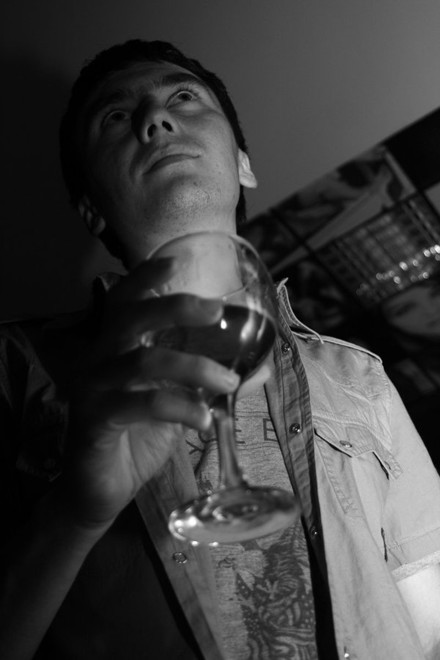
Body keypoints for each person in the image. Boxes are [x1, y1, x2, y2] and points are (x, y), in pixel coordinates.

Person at [2, 39, 440, 660]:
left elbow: (429, 615)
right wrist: (72, 516)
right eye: (116, 117)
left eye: (183, 97)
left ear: (243, 164)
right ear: (91, 209)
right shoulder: (16, 368)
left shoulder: (357, 375)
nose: (156, 119)